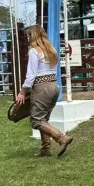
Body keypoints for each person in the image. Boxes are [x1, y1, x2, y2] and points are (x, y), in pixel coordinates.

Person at [15, 25, 73, 157]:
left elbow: (31, 76)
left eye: (29, 35)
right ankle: (45, 149)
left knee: (36, 120)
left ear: (33, 36)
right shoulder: (51, 50)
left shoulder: (34, 51)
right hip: (54, 86)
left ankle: (61, 138)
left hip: (42, 88)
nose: (28, 38)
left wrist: (22, 92)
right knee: (44, 119)